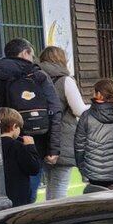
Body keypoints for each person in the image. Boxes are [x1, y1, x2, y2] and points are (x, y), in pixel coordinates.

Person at [0, 38, 52, 199]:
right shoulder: (35, 73)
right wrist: (53, 148)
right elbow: (54, 109)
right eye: (32, 55)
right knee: (27, 195)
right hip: (31, 139)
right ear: (25, 52)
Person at [39, 45, 87, 200]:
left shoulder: (36, 78)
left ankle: (49, 216)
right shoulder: (65, 80)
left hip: (41, 137)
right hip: (62, 138)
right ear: (61, 60)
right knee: (59, 184)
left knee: (51, 184)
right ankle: (56, 220)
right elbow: (79, 110)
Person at [0, 110, 37, 208]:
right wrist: (31, 147)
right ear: (14, 127)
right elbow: (34, 168)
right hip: (18, 196)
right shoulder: (18, 146)